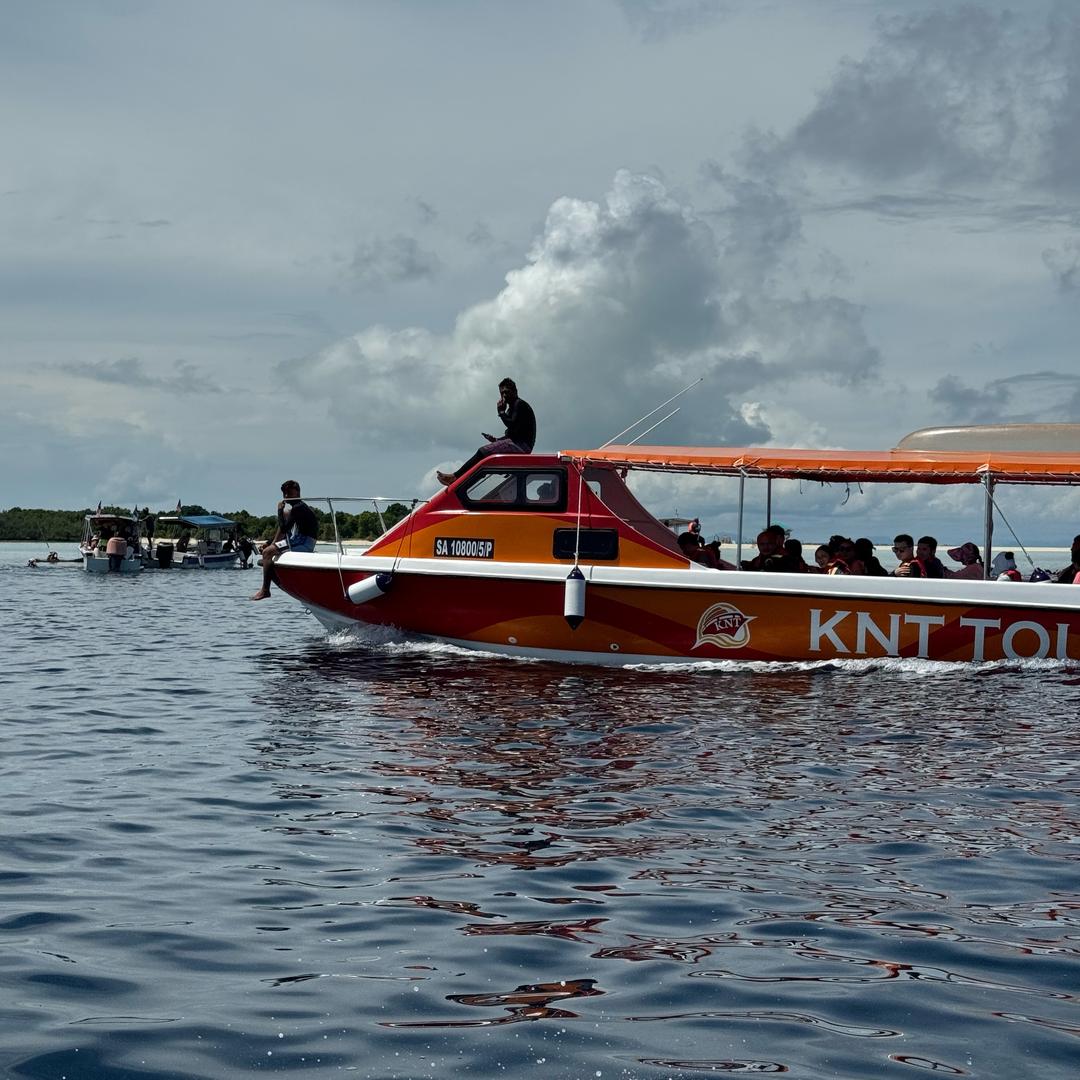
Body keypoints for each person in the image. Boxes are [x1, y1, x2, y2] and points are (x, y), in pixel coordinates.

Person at [437, 377, 536, 485]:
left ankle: (455, 477)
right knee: (486, 461)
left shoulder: (519, 404)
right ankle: (462, 481)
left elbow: (512, 425)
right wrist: (496, 440)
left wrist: (501, 412)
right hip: (519, 444)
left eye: (506, 392)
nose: (504, 396)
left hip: (522, 446)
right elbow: (514, 432)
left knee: (482, 452)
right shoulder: (512, 408)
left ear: (515, 391)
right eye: (502, 393)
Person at [251, 480, 320, 600]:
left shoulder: (299, 508)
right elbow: (286, 532)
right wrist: (269, 542)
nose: (286, 496)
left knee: (267, 553)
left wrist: (279, 510)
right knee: (266, 555)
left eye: (289, 493)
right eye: (285, 494)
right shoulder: (296, 508)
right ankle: (272, 571)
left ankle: (265, 590)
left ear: (298, 492)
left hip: (304, 542)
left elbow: (284, 528)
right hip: (297, 539)